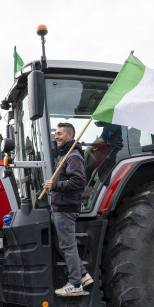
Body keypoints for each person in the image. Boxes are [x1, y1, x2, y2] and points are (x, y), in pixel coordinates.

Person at [42, 122, 93, 296]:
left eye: (60, 133)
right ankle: (83, 275)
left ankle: (75, 285)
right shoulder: (66, 155)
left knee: (68, 247)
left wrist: (54, 185)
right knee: (64, 245)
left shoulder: (73, 156)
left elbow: (78, 182)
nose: (56, 136)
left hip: (65, 208)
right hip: (61, 207)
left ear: (70, 136)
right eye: (55, 133)